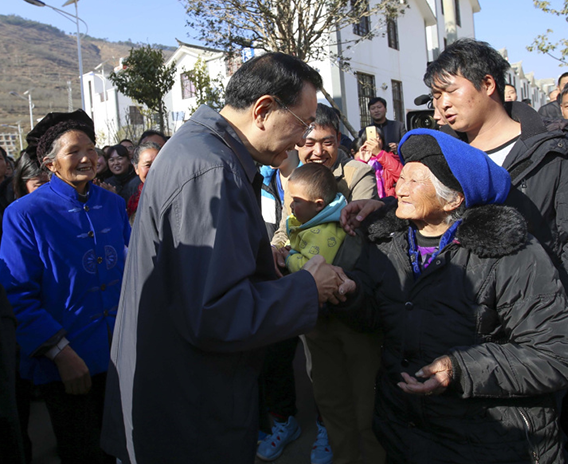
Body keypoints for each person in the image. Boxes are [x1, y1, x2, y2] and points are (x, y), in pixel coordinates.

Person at [101, 52, 348, 464]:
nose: (303, 141)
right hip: (191, 410)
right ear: (264, 110)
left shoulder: (201, 148)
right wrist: (308, 287)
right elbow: (215, 311)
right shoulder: (211, 168)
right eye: (303, 125)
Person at [333, 128, 568, 463]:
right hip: (403, 432)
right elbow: (377, 318)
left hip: (492, 443)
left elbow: (556, 354)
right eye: (402, 178)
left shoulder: (511, 254)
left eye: (415, 181)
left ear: (453, 198)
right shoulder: (389, 244)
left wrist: (461, 369)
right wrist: (352, 294)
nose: (399, 188)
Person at [0, 109, 131, 464]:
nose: (88, 157)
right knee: (83, 450)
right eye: (75, 151)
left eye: (91, 149)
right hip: (67, 363)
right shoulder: (24, 214)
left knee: (127, 445)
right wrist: (60, 352)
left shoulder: (113, 204)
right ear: (50, 164)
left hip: (122, 353)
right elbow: (18, 294)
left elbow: (134, 268)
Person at [270, 104, 383, 464]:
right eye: (309, 142)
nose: (318, 150)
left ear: (340, 142)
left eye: (327, 142)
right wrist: (278, 248)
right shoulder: (296, 179)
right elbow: (287, 227)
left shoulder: (357, 173)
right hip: (313, 311)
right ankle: (336, 446)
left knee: (365, 400)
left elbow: (360, 227)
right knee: (329, 396)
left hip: (350, 301)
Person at [283, 164, 347, 273]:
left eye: (296, 201)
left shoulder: (325, 234)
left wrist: (288, 258)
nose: (291, 205)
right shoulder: (309, 222)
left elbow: (310, 268)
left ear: (318, 205)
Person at [352, 128, 402, 198]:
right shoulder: (359, 161)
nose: (374, 141)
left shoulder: (391, 158)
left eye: (377, 138)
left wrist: (379, 153)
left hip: (389, 202)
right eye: (370, 138)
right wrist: (363, 162)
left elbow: (400, 175)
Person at [126, 141, 161, 223]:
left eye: (158, 164)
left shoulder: (174, 193)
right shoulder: (133, 200)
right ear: (136, 168)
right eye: (148, 165)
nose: (153, 169)